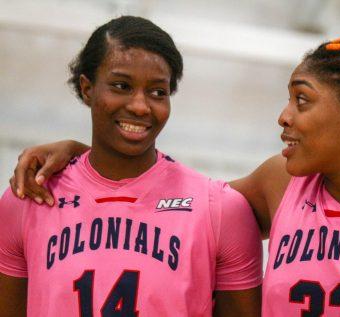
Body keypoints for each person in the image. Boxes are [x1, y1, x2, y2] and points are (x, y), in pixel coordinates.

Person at [10, 35, 340, 316]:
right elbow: (165, 200)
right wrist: (84, 155)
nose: (284, 116)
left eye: (302, 100)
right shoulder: (280, 183)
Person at [0, 16, 263, 317]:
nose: (140, 106)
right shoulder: (27, 200)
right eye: (122, 86)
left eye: (157, 92)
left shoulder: (221, 209)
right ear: (87, 89)